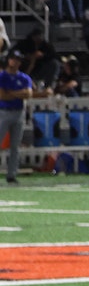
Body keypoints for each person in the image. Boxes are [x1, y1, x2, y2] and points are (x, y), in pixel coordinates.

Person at [2, 51, 35, 186]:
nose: (15, 62)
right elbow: (2, 96)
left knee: (15, 146)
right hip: (3, 111)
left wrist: (12, 93)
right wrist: (18, 94)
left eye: (18, 60)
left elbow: (28, 94)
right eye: (13, 59)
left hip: (18, 111)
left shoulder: (24, 77)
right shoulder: (2, 76)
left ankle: (12, 174)